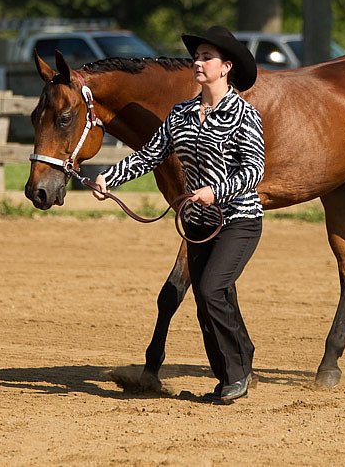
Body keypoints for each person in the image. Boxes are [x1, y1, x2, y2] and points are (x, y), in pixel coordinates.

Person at [93, 25, 265, 404]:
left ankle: (237, 375)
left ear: (226, 68)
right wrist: (111, 179)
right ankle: (229, 377)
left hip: (238, 221)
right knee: (208, 300)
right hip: (197, 224)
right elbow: (150, 154)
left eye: (207, 57)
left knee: (210, 289)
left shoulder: (244, 115)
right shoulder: (181, 114)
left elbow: (254, 170)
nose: (198, 62)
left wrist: (214, 190)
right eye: (197, 56)